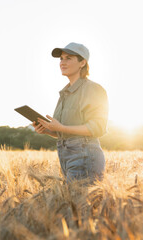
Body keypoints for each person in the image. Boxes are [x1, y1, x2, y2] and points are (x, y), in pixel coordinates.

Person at [33, 42, 108, 184]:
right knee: (72, 203)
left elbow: (98, 127)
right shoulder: (64, 93)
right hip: (65, 156)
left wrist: (61, 128)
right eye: (61, 58)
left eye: (68, 58)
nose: (62, 62)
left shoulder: (93, 89)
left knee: (79, 203)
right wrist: (48, 130)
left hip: (85, 155)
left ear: (82, 63)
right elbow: (65, 131)